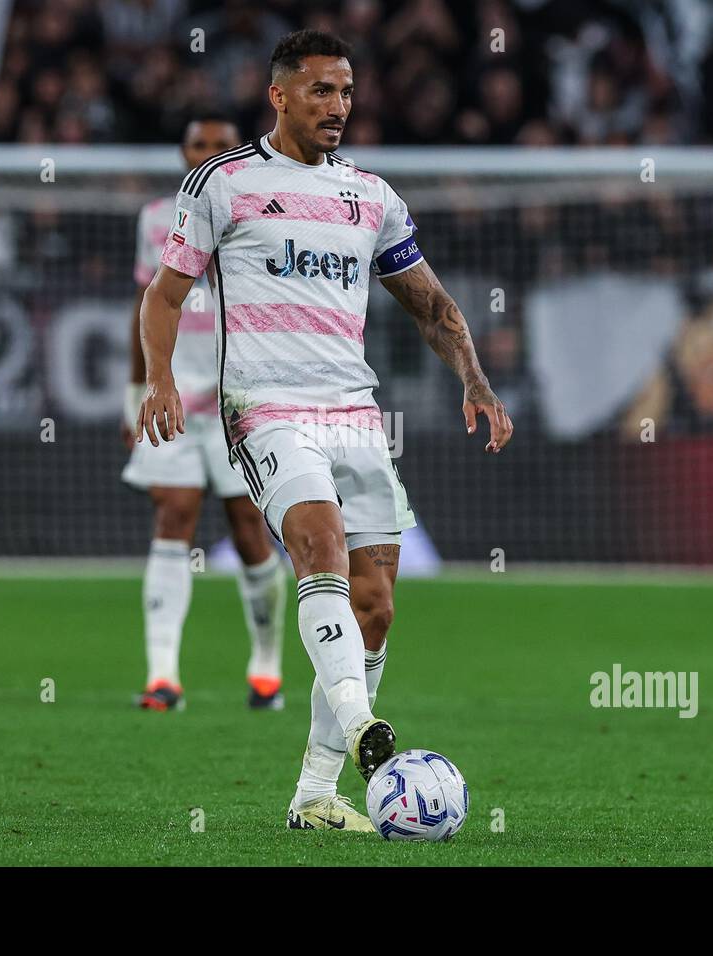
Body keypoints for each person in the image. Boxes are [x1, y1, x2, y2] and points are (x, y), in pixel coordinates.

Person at [134, 30, 512, 831]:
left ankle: (313, 794)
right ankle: (364, 724)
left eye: (346, 92)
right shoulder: (222, 183)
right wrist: (161, 380)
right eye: (320, 92)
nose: (338, 107)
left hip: (355, 413)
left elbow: (432, 304)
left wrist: (474, 378)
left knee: (375, 605)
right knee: (319, 548)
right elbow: (165, 295)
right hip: (264, 408)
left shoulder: (370, 195)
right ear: (278, 95)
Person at [121, 115, 287, 712]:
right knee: (175, 511)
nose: (210, 153)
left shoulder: (264, 210)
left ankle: (266, 665)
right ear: (183, 151)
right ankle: (163, 676)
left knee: (248, 528)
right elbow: (146, 304)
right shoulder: (156, 219)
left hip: (241, 397)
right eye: (199, 144)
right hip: (172, 392)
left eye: (222, 145)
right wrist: (134, 389)